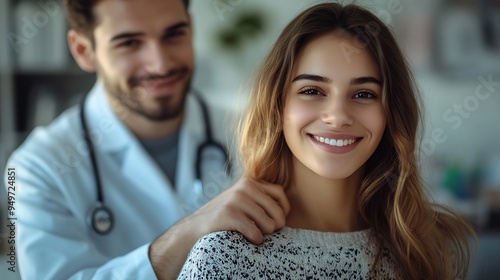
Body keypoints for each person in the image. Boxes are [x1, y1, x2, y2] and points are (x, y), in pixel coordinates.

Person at [178, 3, 475, 279]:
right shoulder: (221, 257)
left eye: (364, 94)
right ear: (278, 105)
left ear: (390, 113)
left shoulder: (424, 245)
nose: (337, 116)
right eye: (312, 90)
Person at [4, 0, 290, 279]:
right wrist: (189, 234)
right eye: (129, 42)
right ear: (83, 51)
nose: (160, 63)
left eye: (174, 34)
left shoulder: (255, 134)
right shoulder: (32, 169)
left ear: (191, 28)